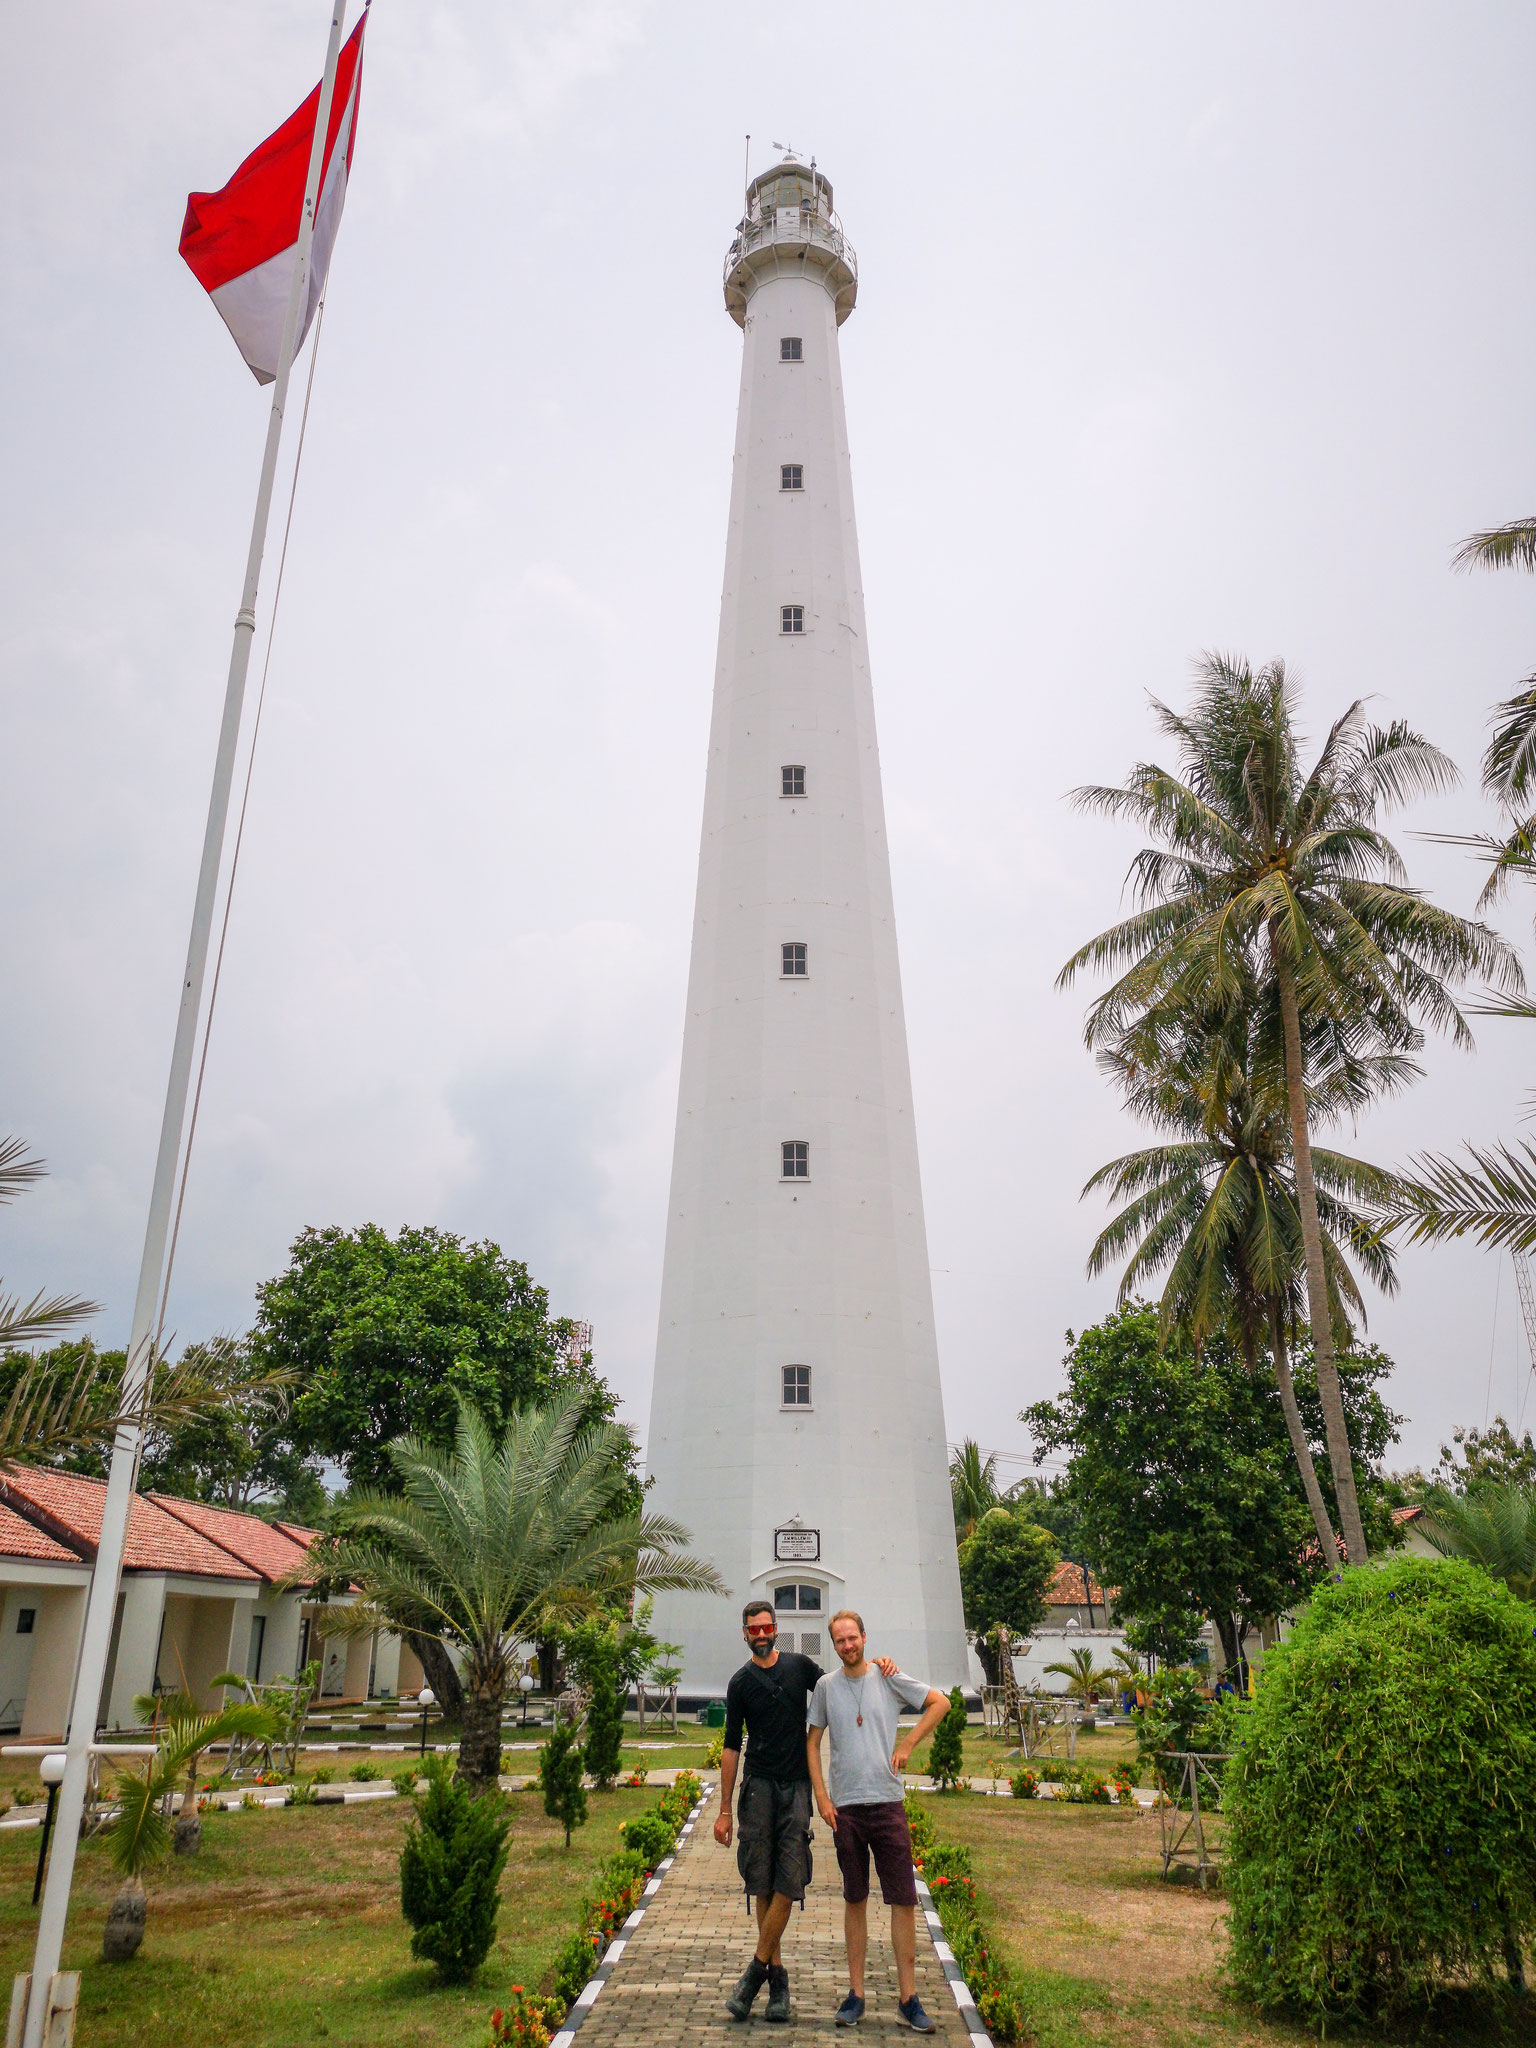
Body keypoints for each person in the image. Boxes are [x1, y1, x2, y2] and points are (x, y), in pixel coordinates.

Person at [714, 1599, 897, 2023]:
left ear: (775, 1628)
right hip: (757, 1788)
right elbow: (729, 1744)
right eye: (752, 1629)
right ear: (744, 1633)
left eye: (766, 1627)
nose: (760, 1634)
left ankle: (754, 1972)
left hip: (796, 1786)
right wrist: (723, 1809)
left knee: (790, 1878)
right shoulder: (739, 1683)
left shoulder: (799, 1668)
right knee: (760, 1879)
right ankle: (777, 1981)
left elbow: (841, 1683)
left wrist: (879, 1667)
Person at [806, 1609, 951, 2032]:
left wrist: (907, 1743)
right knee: (855, 1898)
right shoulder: (826, 1687)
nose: (847, 1646)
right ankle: (856, 1995)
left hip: (887, 1804)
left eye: (853, 1638)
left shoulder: (887, 1676)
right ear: (833, 1645)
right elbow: (812, 1742)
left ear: (865, 1637)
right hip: (846, 1809)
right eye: (840, 1641)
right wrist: (822, 1796)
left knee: (903, 1900)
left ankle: (908, 1998)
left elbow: (939, 1702)